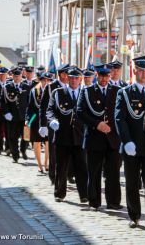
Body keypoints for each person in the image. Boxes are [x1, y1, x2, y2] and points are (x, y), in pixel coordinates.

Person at [115, 55, 145, 228]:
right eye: (141, 70)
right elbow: (120, 119)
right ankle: (134, 215)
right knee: (132, 182)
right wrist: (126, 141)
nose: (144, 73)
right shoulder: (125, 93)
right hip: (132, 146)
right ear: (134, 71)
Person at [77, 64, 122, 211]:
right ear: (97, 75)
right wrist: (97, 124)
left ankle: (113, 201)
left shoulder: (117, 91)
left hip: (113, 137)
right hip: (94, 137)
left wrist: (112, 128)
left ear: (110, 76)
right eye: (101, 76)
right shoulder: (88, 91)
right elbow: (80, 112)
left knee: (113, 172)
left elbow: (121, 114)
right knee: (94, 172)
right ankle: (94, 201)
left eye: (106, 76)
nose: (104, 79)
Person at [47, 66, 88, 203]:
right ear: (67, 78)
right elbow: (50, 110)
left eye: (77, 78)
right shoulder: (58, 93)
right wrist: (52, 120)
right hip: (62, 135)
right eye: (71, 78)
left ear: (80, 79)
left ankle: (84, 194)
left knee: (81, 167)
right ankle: (59, 193)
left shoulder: (85, 93)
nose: (74, 80)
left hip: (80, 136)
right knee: (61, 166)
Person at [39, 64, 69, 184]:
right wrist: (43, 124)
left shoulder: (73, 85)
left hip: (69, 125)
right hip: (54, 124)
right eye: (66, 74)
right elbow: (43, 107)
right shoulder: (51, 87)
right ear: (61, 74)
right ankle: (53, 175)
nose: (68, 77)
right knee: (54, 151)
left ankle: (67, 174)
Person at [1, 67, 30, 163]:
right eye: (15, 76)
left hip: (24, 116)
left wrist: (29, 115)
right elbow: (3, 102)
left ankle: (23, 149)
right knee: (12, 137)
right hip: (12, 116)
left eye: (19, 76)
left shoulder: (26, 87)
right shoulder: (7, 87)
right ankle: (15, 155)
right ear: (12, 76)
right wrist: (6, 113)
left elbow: (29, 102)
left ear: (22, 76)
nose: (17, 78)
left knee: (26, 136)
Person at [26, 72, 52, 173]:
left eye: (47, 80)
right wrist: (28, 119)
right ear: (40, 80)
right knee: (36, 142)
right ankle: (39, 164)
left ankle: (46, 163)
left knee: (48, 142)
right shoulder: (34, 90)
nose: (45, 82)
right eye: (43, 80)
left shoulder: (52, 90)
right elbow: (30, 106)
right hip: (36, 119)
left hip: (48, 119)